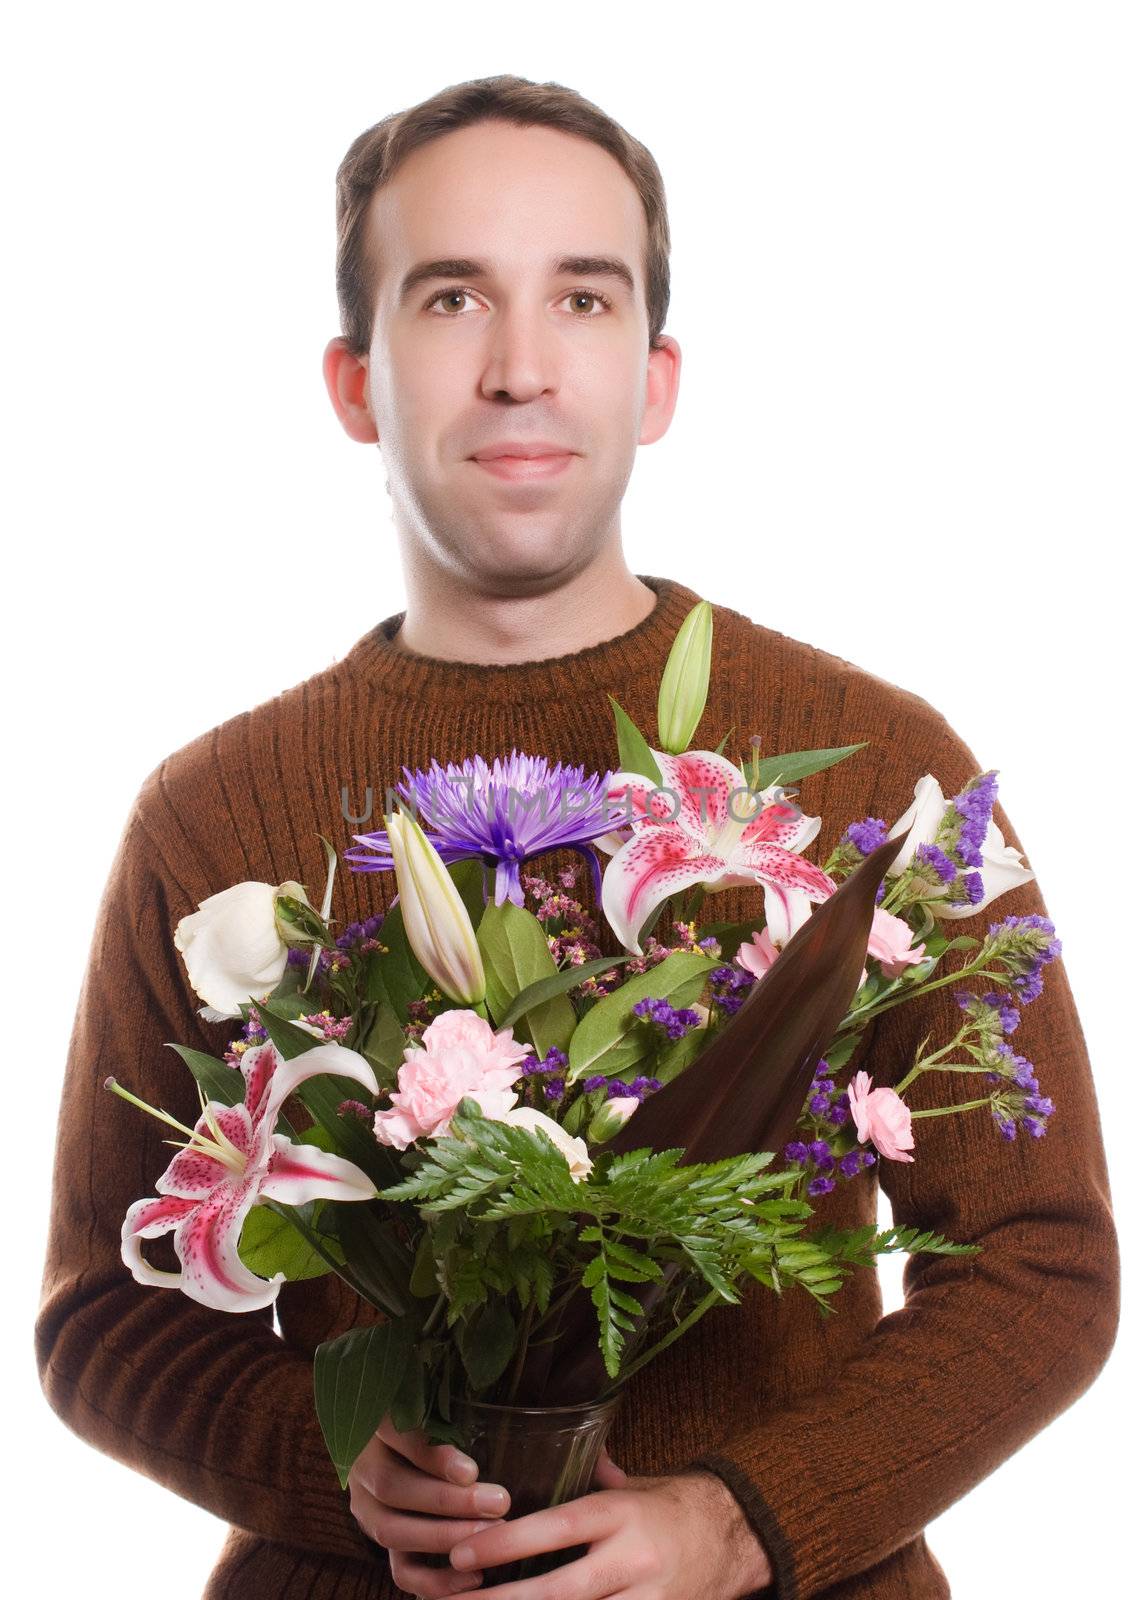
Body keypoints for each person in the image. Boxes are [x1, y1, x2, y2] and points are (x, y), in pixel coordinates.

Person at [36, 74, 1118, 1600]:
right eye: (453, 297)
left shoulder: (889, 768)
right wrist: (335, 1460)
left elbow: (1044, 1258)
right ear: (354, 381)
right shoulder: (212, 813)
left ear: (659, 377)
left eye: (585, 301)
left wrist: (746, 1522)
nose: (522, 368)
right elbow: (103, 1314)